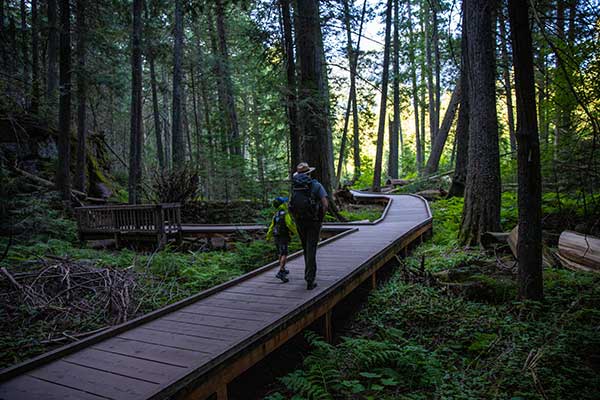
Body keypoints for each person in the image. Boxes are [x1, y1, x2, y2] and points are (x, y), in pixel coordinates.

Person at [289, 162, 329, 290]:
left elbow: (291, 204)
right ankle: (310, 279)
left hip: (300, 221)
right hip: (314, 221)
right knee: (311, 248)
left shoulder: (295, 186)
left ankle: (308, 274)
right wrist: (321, 218)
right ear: (309, 173)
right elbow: (325, 204)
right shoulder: (316, 185)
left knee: (306, 248)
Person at [266, 196, 298, 283]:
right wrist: (297, 232)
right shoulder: (285, 214)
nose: (286, 203)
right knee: (284, 253)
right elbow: (289, 224)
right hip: (283, 236)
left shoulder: (275, 215)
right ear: (282, 204)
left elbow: (272, 226)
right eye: (284, 202)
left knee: (280, 253)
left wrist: (268, 236)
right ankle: (280, 271)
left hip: (276, 236)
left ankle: (283, 269)